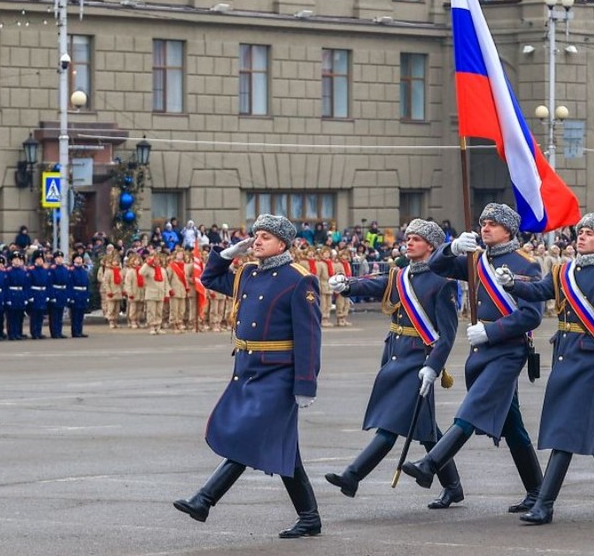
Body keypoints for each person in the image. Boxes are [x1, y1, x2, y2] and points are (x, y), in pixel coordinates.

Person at [175, 214, 323, 538]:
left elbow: (309, 337)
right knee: (284, 449)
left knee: (248, 436)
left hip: (279, 374)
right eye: (256, 235)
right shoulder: (248, 273)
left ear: (282, 244)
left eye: (265, 237)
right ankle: (310, 517)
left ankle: (204, 499)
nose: (257, 241)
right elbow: (210, 279)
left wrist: (306, 384)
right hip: (248, 370)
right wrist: (227, 254)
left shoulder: (299, 280)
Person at [399, 204, 545, 514]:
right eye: (483, 223)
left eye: (492, 224)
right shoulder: (476, 259)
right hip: (482, 351)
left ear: (508, 230)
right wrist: (451, 248)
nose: (485, 228)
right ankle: (537, 489)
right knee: (512, 426)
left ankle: (431, 463)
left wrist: (490, 332)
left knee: (474, 406)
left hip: (508, 350)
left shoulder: (526, 264)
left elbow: (532, 315)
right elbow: (438, 266)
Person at [494, 213, 594, 525]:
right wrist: (513, 284)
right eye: (581, 232)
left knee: (565, 432)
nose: (582, 237)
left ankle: (545, 504)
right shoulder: (563, 271)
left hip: (590, 363)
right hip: (564, 358)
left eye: (590, 233)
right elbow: (539, 291)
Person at [324, 219, 462, 509]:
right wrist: (347, 285)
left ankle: (353, 475)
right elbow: (374, 283)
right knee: (426, 428)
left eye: (416, 239)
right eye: (408, 238)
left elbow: (447, 335)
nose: (408, 242)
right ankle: (453, 486)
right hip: (395, 355)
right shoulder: (401, 276)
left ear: (432, 247)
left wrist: (434, 366)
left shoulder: (442, 282)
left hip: (418, 360)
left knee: (390, 424)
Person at [5, 252, 29, 340]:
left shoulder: (23, 272)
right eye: (15, 259)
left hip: (20, 294)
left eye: (19, 259)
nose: (17, 261)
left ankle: (18, 332)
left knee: (19, 315)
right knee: (12, 316)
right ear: (12, 261)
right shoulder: (8, 272)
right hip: (12, 294)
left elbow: (26, 286)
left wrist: (25, 297)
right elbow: (6, 286)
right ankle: (12, 333)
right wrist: (8, 298)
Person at [27, 251, 51, 339]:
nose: (40, 261)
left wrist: (47, 295)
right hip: (35, 293)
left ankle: (39, 331)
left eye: (41, 259)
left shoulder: (45, 270)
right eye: (38, 259)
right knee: (34, 314)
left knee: (41, 314)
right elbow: (28, 284)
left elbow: (48, 283)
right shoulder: (31, 270)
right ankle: (34, 332)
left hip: (42, 293)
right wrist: (30, 296)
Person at [67, 254, 91, 338]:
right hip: (75, 293)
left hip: (83, 293)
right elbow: (70, 285)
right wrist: (71, 297)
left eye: (80, 258)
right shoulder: (71, 271)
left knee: (81, 314)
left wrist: (87, 296)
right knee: (75, 314)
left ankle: (80, 330)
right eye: (77, 258)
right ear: (74, 260)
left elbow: (87, 284)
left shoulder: (84, 271)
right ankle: (75, 331)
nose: (79, 260)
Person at [47, 251, 69, 339]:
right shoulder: (52, 269)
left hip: (62, 292)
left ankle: (59, 331)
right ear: (55, 259)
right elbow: (50, 283)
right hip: (55, 291)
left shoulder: (65, 269)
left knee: (60, 313)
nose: (60, 259)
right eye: (58, 257)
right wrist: (51, 296)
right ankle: (54, 332)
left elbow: (67, 282)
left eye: (61, 257)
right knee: (54, 314)